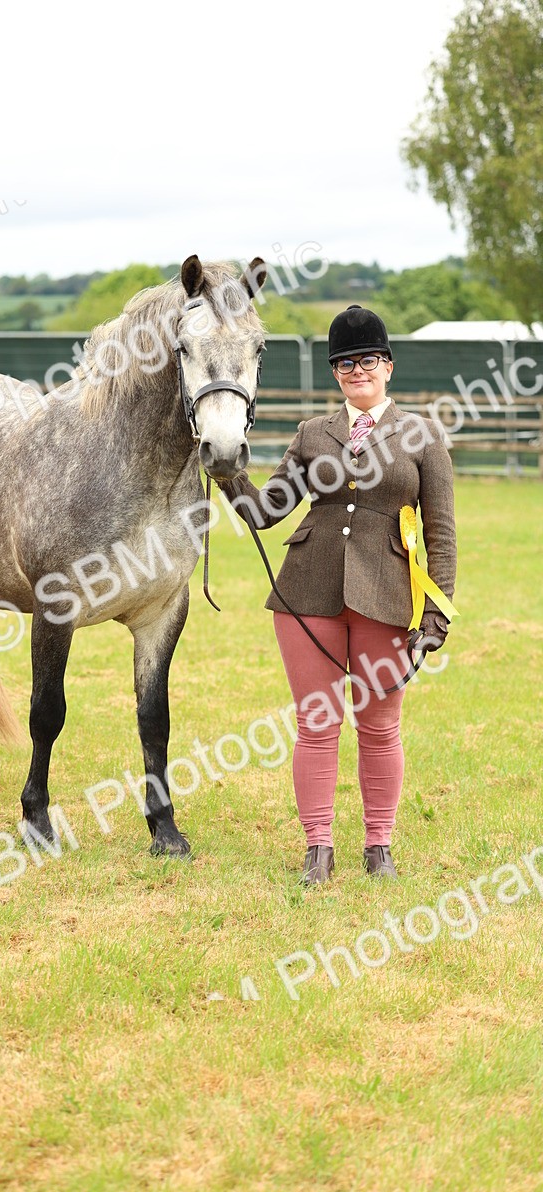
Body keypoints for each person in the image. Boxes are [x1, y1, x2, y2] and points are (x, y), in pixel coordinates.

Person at [221, 304, 457, 885]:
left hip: (387, 598)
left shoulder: (423, 436)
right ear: (335, 373)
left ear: (388, 367)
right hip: (308, 593)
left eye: (368, 360)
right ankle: (318, 849)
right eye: (346, 363)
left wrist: (436, 616)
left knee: (379, 726)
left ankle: (379, 846)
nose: (358, 370)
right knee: (316, 724)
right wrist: (229, 472)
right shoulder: (312, 435)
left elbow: (441, 533)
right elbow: (268, 512)